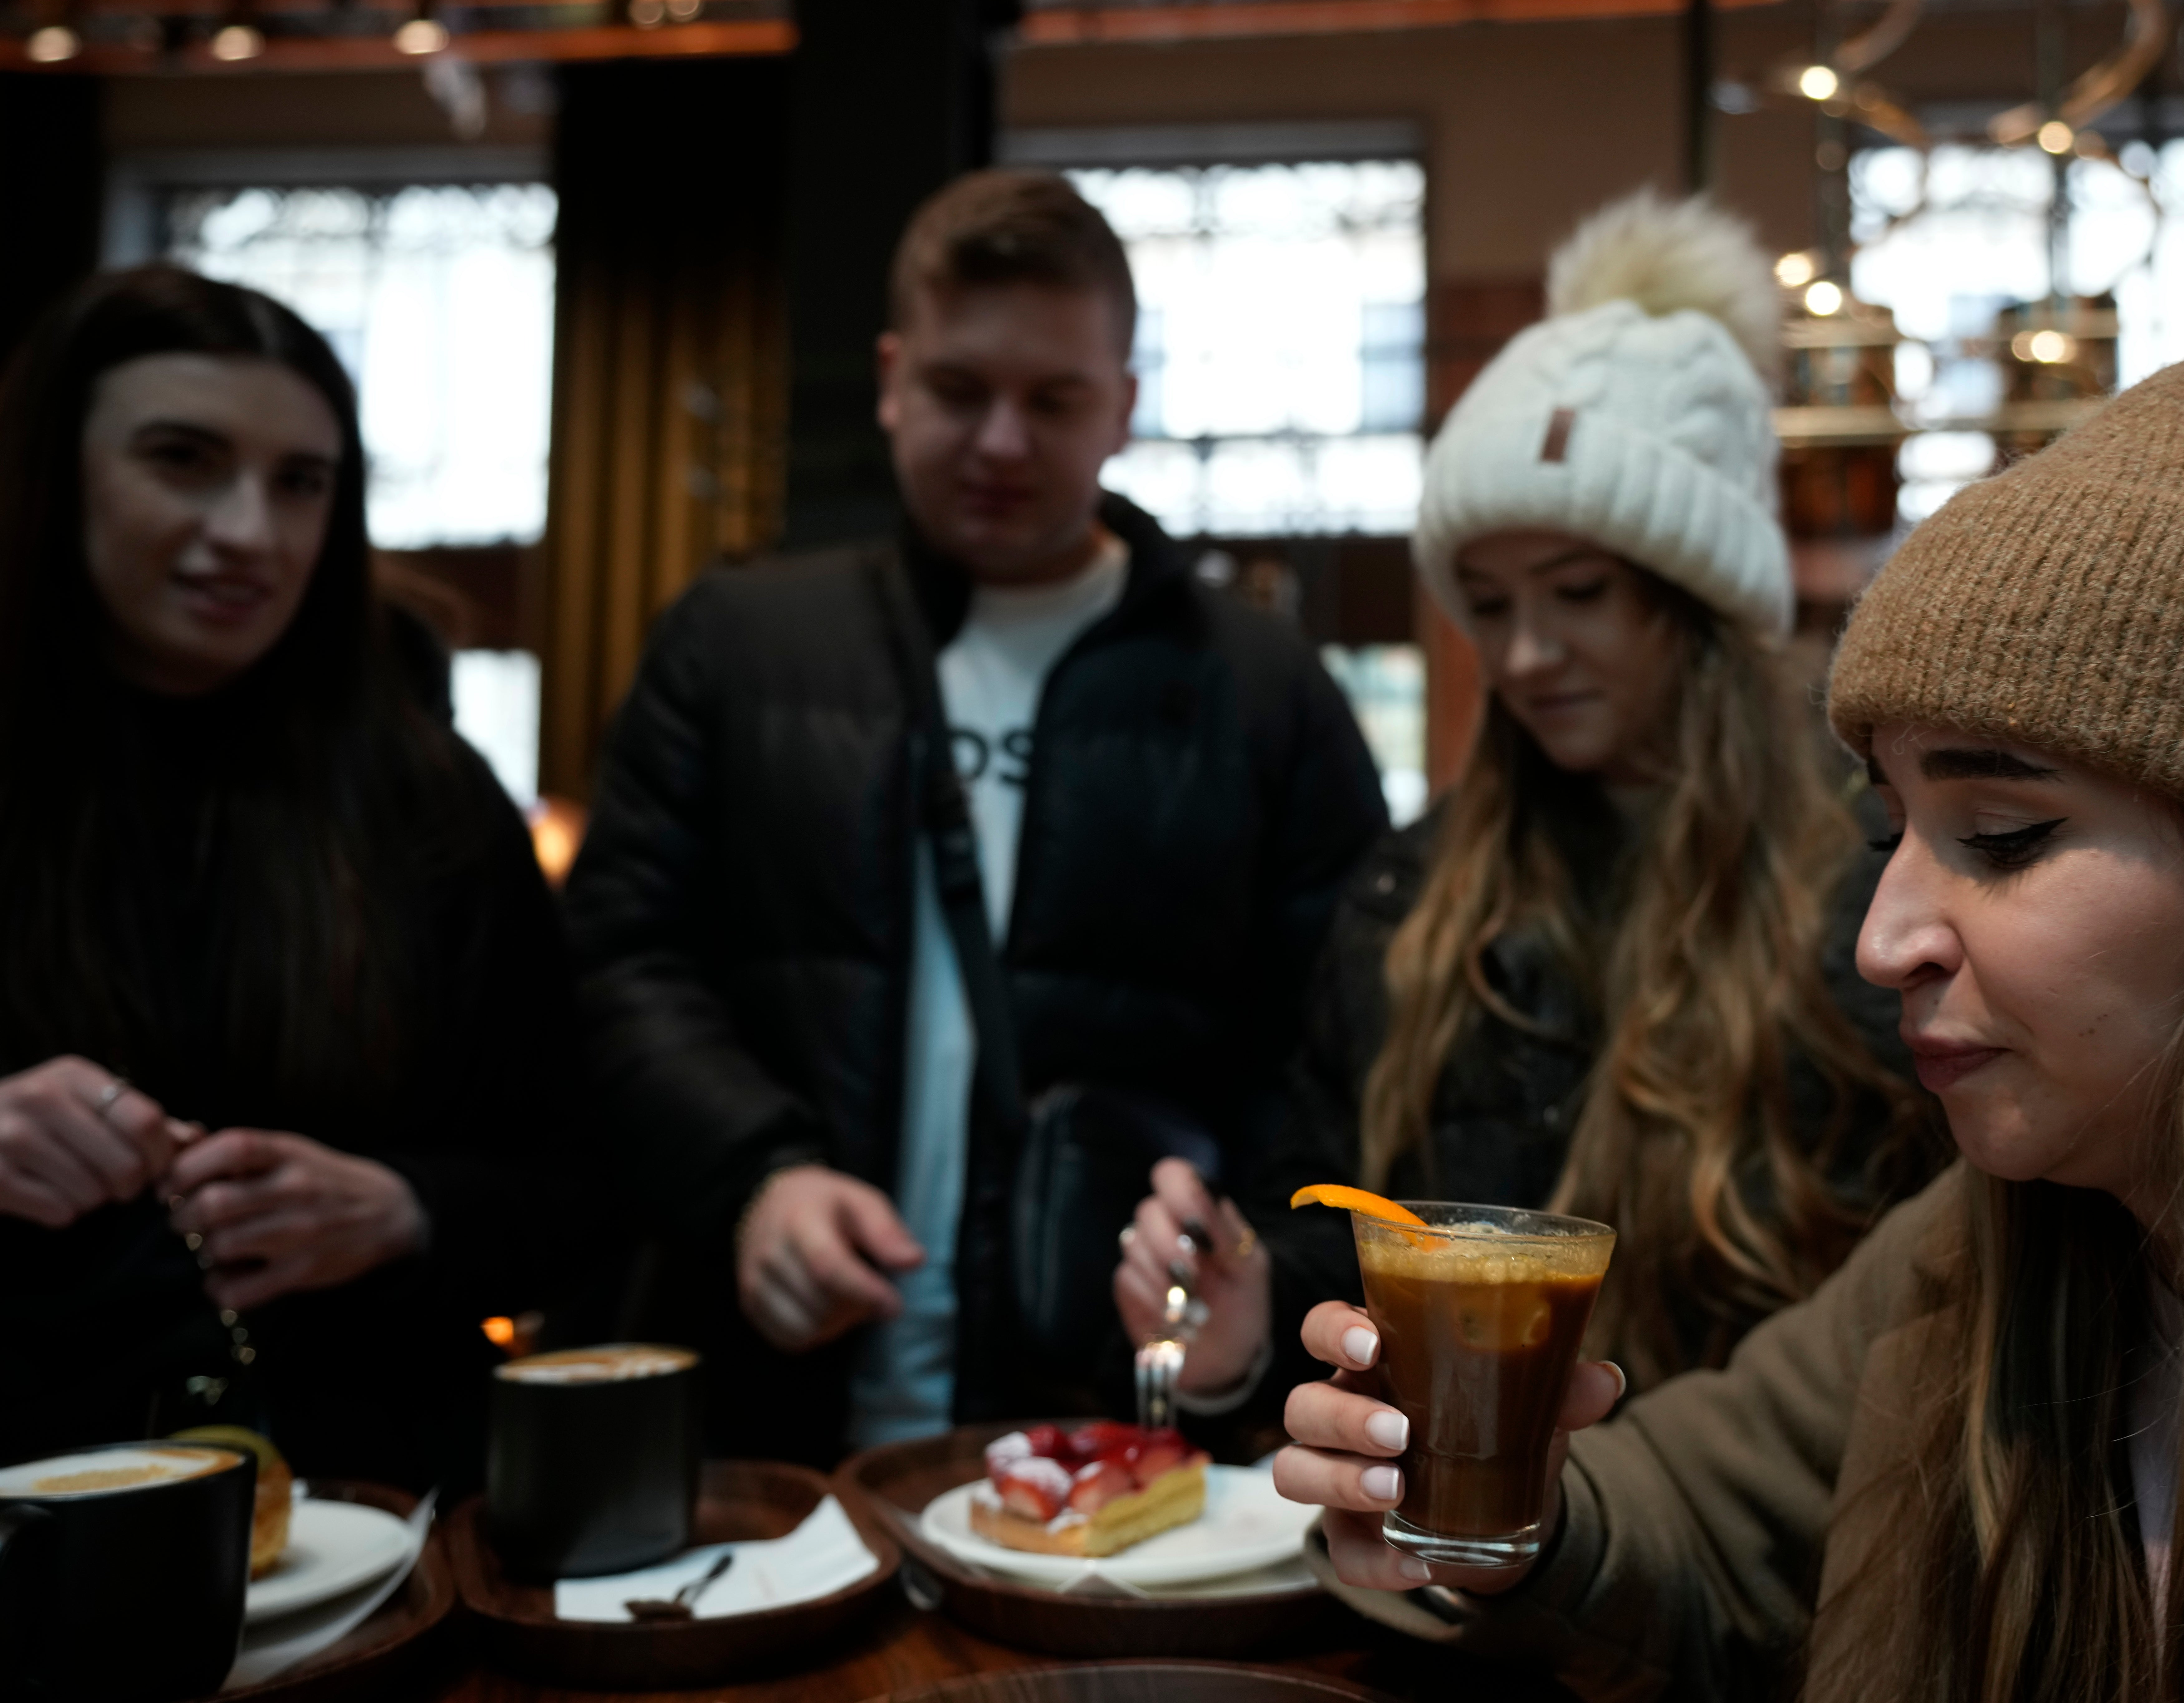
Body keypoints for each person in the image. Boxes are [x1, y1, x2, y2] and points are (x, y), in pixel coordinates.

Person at [1276, 346, 2184, 1699]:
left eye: (2001, 834)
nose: (1881, 937)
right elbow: (1688, 1515)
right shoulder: (1975, 1254)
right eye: (1891, 829)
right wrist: (1504, 1521)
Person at [565, 169, 1387, 1465]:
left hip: (1117, 1432)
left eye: (1052, 399)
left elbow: (1340, 1053)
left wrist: (1262, 1278)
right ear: (892, 378)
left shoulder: (1260, 689)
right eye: (959, 390)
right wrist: (754, 1172)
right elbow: (617, 959)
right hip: (765, 1415)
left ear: (1120, 405)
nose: (1001, 440)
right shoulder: (737, 643)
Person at [1115, 194, 1935, 1425]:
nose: (1528, 651)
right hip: (1456, 1570)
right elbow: (1336, 1259)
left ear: (1691, 597)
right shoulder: (1413, 893)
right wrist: (1242, 1329)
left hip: (1773, 1576)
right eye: (1488, 604)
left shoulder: (1874, 883)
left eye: (1578, 590)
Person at [0, 267, 586, 1491]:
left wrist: (405, 1206)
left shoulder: (427, 793)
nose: (251, 532)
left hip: (363, 1521)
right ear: (57, 471)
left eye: (301, 483)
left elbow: (576, 1174)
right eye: (183, 459)